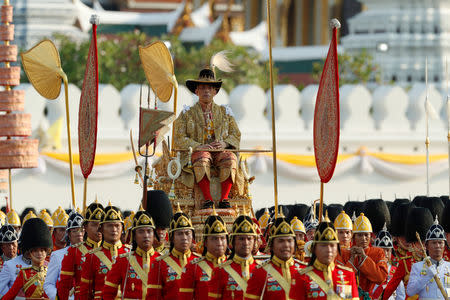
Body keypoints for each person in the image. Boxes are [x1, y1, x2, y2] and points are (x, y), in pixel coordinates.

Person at [173, 64, 241, 209]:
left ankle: (224, 199)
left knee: (230, 158)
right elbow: (178, 137)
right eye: (203, 88)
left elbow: (236, 134)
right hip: (198, 152)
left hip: (219, 151)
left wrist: (225, 144)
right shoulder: (187, 113)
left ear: (215, 91)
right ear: (196, 91)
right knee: (202, 157)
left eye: (209, 88)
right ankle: (208, 200)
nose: (206, 91)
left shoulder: (225, 112)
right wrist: (198, 146)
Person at [289, 215, 359, 300]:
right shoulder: (301, 277)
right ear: (314, 249)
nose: (329, 250)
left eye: (332, 245)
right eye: (323, 245)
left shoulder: (347, 275)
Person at [244, 214, 306, 300]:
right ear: (271, 245)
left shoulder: (305, 271)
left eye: (289, 240)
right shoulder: (260, 273)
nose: (286, 245)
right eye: (281, 241)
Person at [103, 209, 160, 299]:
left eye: (149, 231)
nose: (146, 235)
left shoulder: (162, 260)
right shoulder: (123, 260)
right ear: (134, 236)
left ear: (154, 234)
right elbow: (108, 293)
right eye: (141, 232)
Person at [147, 204, 198, 299]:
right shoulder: (159, 264)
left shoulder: (200, 262)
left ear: (193, 236)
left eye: (187, 233)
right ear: (172, 238)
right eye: (179, 234)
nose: (184, 238)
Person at [381, 207, 433, 300]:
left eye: (427, 243)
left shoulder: (436, 262)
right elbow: (391, 287)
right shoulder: (405, 263)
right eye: (421, 243)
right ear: (413, 243)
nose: (424, 247)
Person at [79, 203, 129, 299]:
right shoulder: (92, 257)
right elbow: (85, 293)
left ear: (122, 228)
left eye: (117, 226)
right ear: (101, 229)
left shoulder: (131, 254)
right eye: (109, 226)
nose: (114, 230)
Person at [57, 201, 104, 300]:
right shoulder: (74, 251)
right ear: (85, 227)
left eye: (101, 225)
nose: (99, 228)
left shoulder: (116, 252)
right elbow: (64, 287)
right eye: (94, 225)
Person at [179, 206, 228, 299]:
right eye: (214, 239)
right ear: (205, 242)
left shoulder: (233, 265)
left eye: (222, 238)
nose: (219, 243)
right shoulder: (193, 267)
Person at [208, 211, 258, 299]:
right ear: (233, 241)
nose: (246, 243)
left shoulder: (263, 270)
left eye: (249, 238)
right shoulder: (220, 271)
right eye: (241, 239)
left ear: (255, 241)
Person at [336, 213, 388, 299]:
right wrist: (352, 259)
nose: (363, 238)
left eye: (366, 235)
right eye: (360, 235)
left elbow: (381, 278)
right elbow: (341, 280)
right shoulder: (343, 253)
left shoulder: (378, 252)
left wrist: (364, 258)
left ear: (370, 236)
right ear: (354, 237)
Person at [2, 218, 53, 299]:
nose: (39, 253)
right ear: (29, 252)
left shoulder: (50, 268)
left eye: (42, 250)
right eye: (35, 250)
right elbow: (5, 294)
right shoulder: (13, 268)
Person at [44, 210, 84, 299]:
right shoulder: (57, 255)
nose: (79, 234)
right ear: (69, 234)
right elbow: (48, 284)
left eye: (82, 230)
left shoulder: (94, 253)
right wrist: (61, 297)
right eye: (75, 231)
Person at [406, 217, 450, 299]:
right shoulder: (417, 267)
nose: (437, 246)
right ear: (426, 246)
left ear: (444, 246)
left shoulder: (449, 267)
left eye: (440, 243)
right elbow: (410, 291)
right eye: (434, 243)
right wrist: (427, 276)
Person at [371, 224, 405, 300]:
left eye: (388, 250)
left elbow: (401, 296)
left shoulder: (395, 272)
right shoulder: (370, 268)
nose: (385, 254)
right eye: (382, 250)